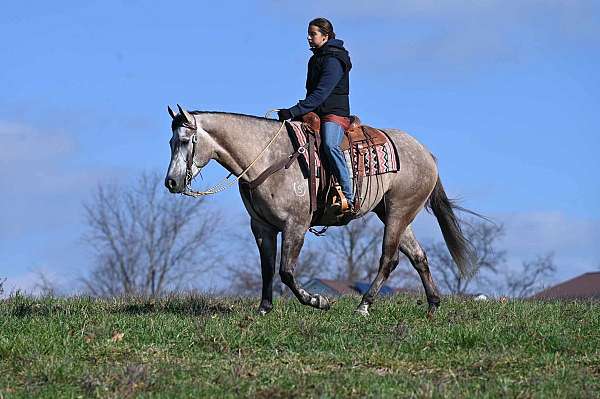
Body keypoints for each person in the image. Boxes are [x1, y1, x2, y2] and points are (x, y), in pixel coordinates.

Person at [278, 17, 354, 213]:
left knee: (330, 144)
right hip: (316, 111)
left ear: (325, 36)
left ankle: (349, 195)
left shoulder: (334, 60)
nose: (309, 38)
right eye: (309, 34)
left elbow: (321, 93)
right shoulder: (316, 59)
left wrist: (295, 110)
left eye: (313, 34)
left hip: (334, 114)